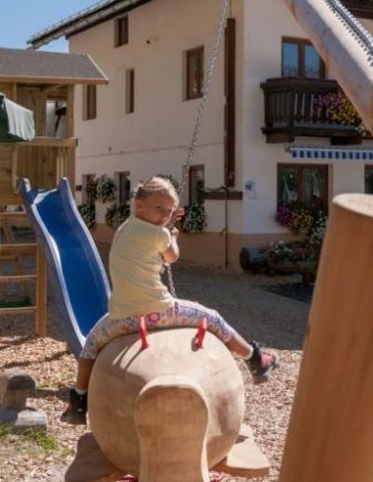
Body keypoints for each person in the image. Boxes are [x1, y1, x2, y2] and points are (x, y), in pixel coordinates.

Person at [62, 176, 278, 424]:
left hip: (122, 316)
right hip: (158, 310)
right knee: (213, 318)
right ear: (139, 205)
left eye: (168, 211)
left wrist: (167, 228)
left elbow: (150, 246)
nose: (164, 215)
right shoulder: (159, 234)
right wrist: (173, 235)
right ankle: (255, 359)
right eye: (159, 209)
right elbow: (172, 256)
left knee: (90, 345)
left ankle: (79, 400)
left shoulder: (125, 228)